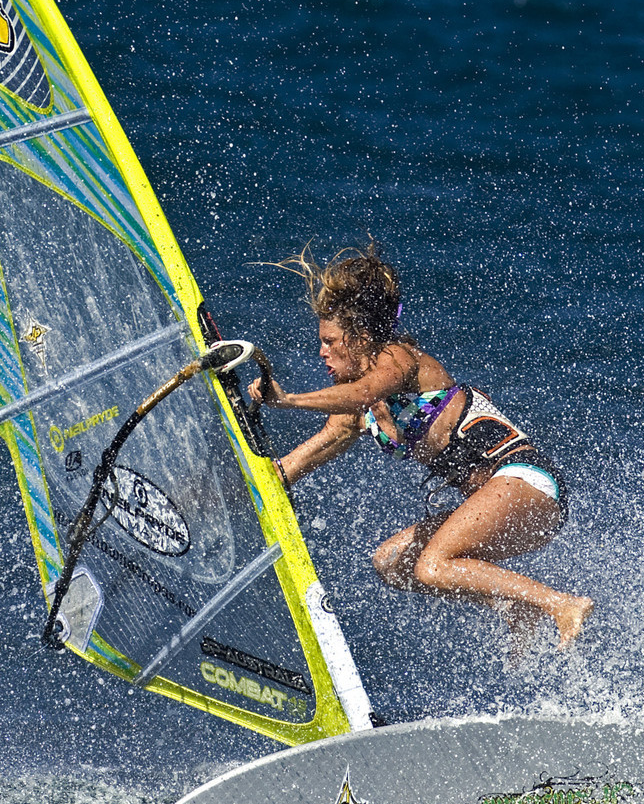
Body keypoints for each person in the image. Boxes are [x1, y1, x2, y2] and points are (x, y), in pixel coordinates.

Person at [251, 245, 594, 651]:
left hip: (530, 485)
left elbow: (363, 391)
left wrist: (287, 400)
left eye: (330, 341)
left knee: (432, 566)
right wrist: (239, 487)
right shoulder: (357, 412)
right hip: (511, 506)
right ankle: (512, 606)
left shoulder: (398, 359)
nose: (321, 352)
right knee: (393, 564)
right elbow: (292, 464)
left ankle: (562, 604)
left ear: (359, 338)